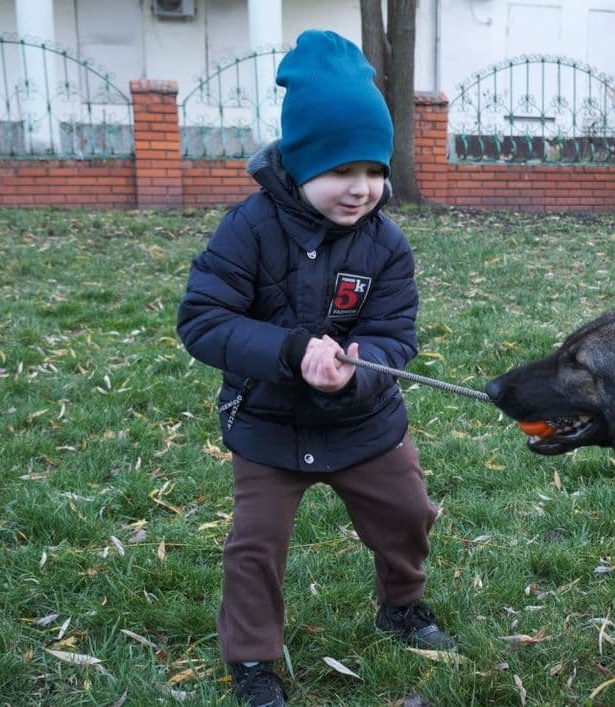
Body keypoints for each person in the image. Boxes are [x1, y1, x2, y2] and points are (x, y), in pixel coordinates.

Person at [177, 29, 454, 707]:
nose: (361, 189)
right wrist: (289, 352)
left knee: (408, 512)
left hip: (365, 419)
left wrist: (360, 370)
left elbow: (394, 335)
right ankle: (252, 659)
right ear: (300, 163)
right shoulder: (248, 229)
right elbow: (203, 320)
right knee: (255, 545)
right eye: (340, 170)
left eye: (375, 170)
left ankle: (402, 605)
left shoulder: (387, 245)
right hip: (269, 422)